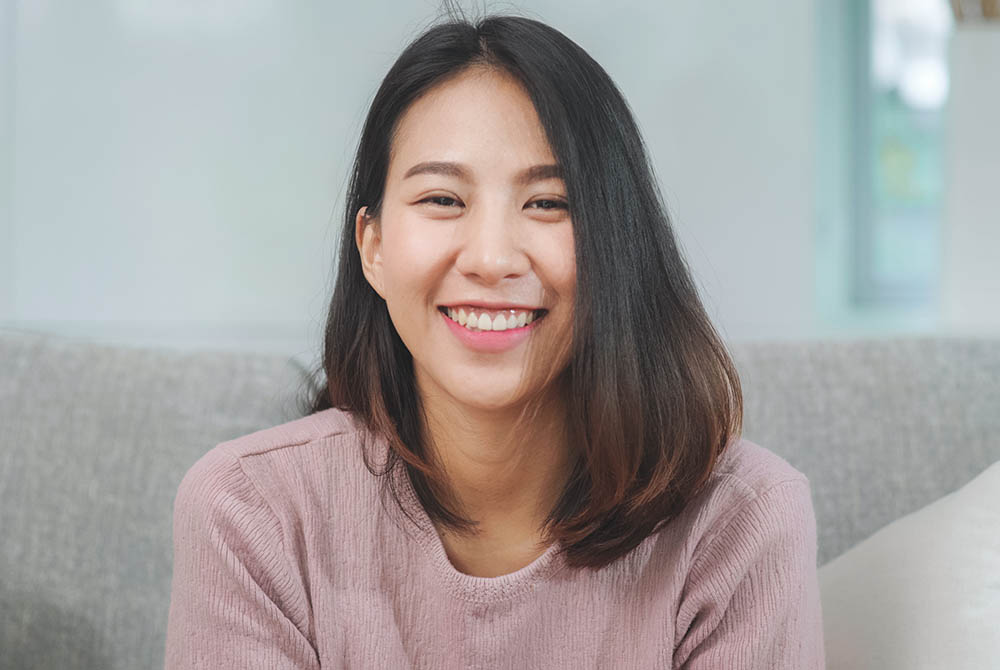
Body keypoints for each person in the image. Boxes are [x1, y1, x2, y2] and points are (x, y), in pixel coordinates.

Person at [164, 7, 825, 669]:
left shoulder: (743, 522)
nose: (491, 258)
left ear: (617, 244)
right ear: (373, 246)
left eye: (548, 203)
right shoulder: (249, 512)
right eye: (442, 200)